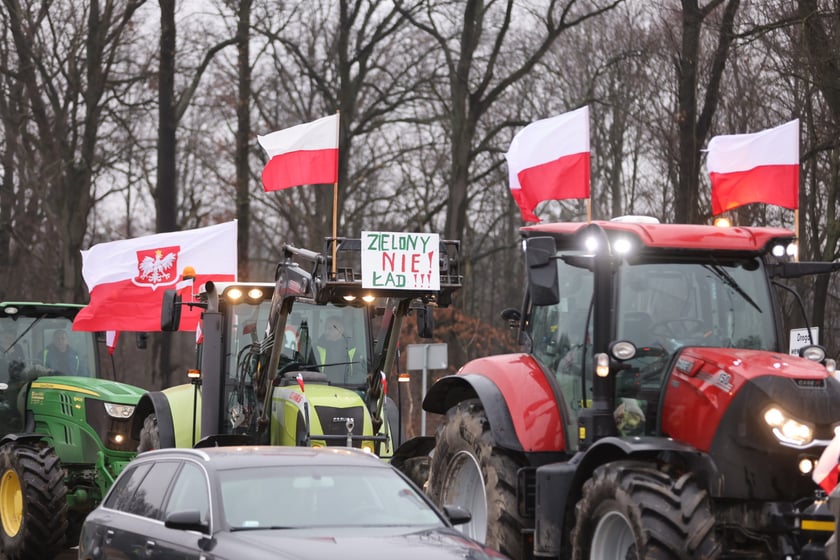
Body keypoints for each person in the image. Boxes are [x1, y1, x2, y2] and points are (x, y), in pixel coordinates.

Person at [315, 315, 355, 384]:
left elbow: (359, 374)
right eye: (326, 328)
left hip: (348, 388)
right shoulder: (316, 349)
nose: (327, 331)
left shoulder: (352, 349)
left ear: (341, 330)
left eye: (330, 328)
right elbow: (312, 372)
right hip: (322, 386)